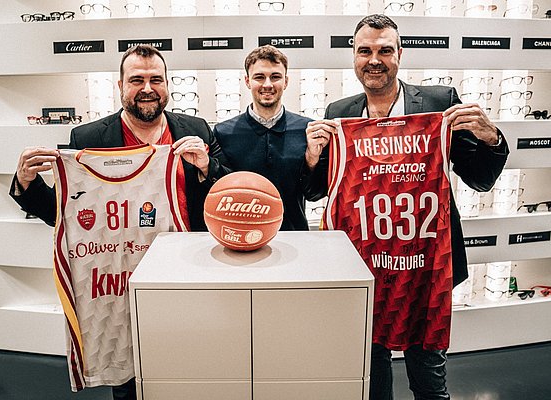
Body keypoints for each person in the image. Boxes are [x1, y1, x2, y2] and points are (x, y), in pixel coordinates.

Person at [303, 14, 509, 400]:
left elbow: (480, 179)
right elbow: (318, 192)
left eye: (384, 50)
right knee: (371, 371)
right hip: (365, 265)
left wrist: (490, 137)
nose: (374, 60)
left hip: (425, 266)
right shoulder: (338, 112)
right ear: (354, 56)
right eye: (365, 51)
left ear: (400, 54)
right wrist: (313, 157)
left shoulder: (439, 103)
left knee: (428, 376)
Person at [9, 44, 231, 400]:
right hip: (120, 276)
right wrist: (26, 182)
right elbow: (64, 214)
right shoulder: (89, 139)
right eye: (137, 80)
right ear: (120, 86)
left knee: (189, 364)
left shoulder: (196, 130)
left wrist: (207, 167)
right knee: (129, 375)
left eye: (156, 79)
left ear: (167, 84)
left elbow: (225, 195)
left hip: (184, 272)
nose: (147, 88)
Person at [213, 45, 315, 230]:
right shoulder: (223, 133)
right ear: (247, 81)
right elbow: (219, 192)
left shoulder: (307, 129)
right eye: (259, 77)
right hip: (240, 236)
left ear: (286, 81)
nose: (267, 84)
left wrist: (313, 161)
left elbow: (314, 193)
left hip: (295, 236)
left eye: (275, 77)